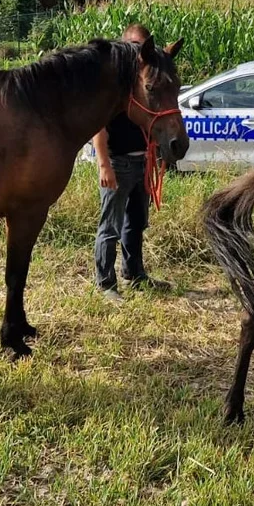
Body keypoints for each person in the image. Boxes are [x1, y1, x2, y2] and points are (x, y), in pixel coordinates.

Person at [92, 24, 172, 300]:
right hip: (118, 163)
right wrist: (104, 165)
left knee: (136, 222)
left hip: (142, 163)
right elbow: (98, 128)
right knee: (110, 225)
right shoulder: (112, 86)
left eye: (144, 46)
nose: (139, 53)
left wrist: (154, 155)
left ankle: (134, 274)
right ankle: (105, 283)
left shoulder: (144, 83)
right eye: (135, 46)